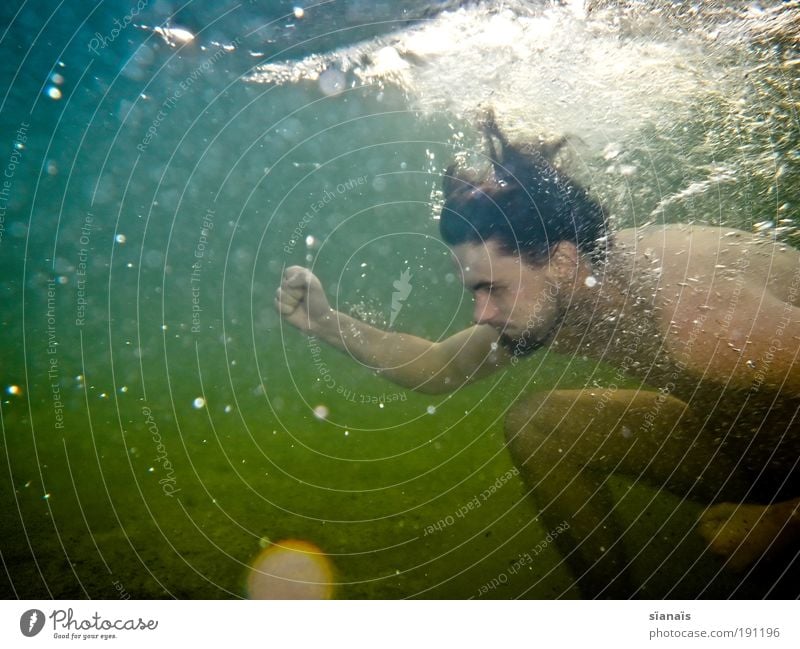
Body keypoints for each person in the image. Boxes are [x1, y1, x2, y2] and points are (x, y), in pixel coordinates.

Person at [275, 115, 800, 598]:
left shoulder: (699, 314)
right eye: (475, 292)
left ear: (565, 261)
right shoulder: (560, 295)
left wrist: (785, 522)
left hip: (780, 460)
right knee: (541, 425)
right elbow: (441, 368)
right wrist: (325, 322)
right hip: (743, 442)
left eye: (492, 289)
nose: (481, 313)